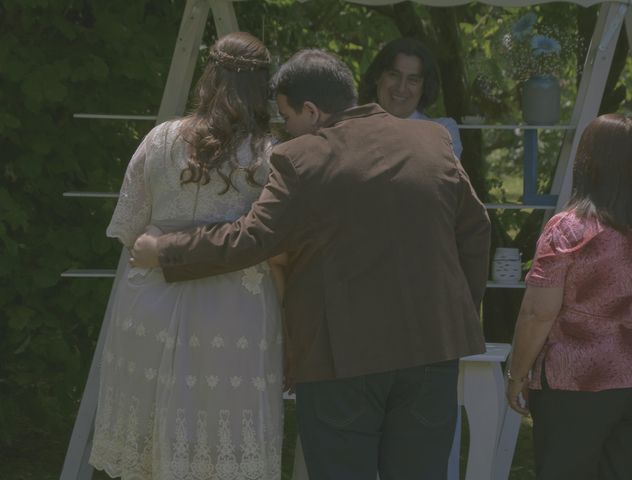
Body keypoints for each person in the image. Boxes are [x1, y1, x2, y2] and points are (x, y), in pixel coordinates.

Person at [132, 49, 491, 480]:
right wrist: (457, 312)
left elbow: (251, 238)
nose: (285, 130)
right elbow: (475, 231)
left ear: (312, 111)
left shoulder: (301, 159)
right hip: (433, 351)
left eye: (286, 118)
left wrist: (164, 250)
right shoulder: (434, 141)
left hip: (341, 357)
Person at [89, 32, 284, 480]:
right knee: (220, 442)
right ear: (263, 86)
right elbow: (275, 242)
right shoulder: (271, 156)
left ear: (208, 76)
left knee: (143, 434)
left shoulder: (160, 139)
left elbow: (128, 230)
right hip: (234, 310)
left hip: (150, 299)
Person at [506, 114, 632, 479]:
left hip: (573, 382)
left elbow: (537, 313)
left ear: (587, 162)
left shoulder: (569, 228)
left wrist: (516, 374)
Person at [359, 37, 463, 158]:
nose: (401, 88)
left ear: (425, 86)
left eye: (413, 80)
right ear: (377, 76)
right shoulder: (353, 127)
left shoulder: (443, 130)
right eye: (394, 75)